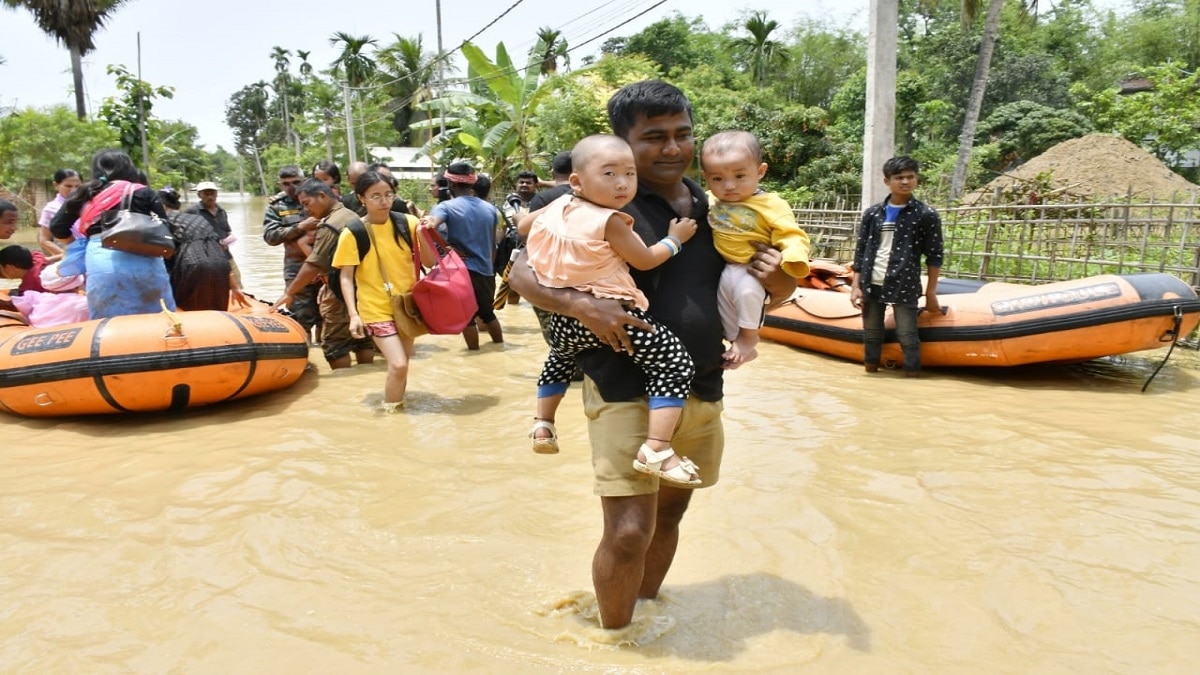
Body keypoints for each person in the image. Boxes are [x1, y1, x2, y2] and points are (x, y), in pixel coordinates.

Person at [508, 80, 793, 630]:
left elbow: (765, 290)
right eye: (653, 137)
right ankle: (613, 644)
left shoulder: (723, 203)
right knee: (629, 528)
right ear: (623, 143)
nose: (671, 148)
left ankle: (645, 615)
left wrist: (778, 280)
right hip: (620, 381)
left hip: (704, 380)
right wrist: (582, 306)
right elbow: (519, 272)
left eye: (682, 134)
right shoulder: (586, 200)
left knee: (671, 514)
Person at [523, 134, 701, 486]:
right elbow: (646, 260)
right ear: (577, 180)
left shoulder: (557, 207)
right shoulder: (612, 221)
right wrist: (676, 240)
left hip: (567, 319)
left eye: (629, 174)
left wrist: (551, 211)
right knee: (674, 362)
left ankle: (543, 424)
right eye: (609, 174)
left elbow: (523, 227)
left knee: (559, 357)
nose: (622, 184)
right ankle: (658, 449)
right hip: (616, 314)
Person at [701, 130, 812, 365]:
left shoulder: (771, 204)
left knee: (748, 293)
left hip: (752, 267)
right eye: (717, 179)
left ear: (760, 171)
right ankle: (736, 345)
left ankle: (749, 338)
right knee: (724, 305)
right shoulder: (709, 200)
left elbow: (791, 234)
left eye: (740, 176)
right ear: (706, 177)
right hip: (726, 267)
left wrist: (793, 259)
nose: (729, 186)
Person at [332, 171, 435, 411]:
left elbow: (429, 263)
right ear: (361, 198)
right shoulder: (353, 233)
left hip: (406, 305)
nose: (384, 201)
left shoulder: (406, 223)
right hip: (375, 307)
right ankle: (391, 414)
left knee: (403, 364)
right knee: (398, 364)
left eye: (388, 194)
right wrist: (353, 314)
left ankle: (398, 407)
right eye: (375, 196)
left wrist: (423, 234)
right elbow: (346, 278)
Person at [49, 149, 177, 319]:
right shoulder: (145, 192)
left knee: (107, 323)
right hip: (147, 263)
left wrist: (77, 244)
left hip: (102, 261)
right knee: (160, 320)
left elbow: (57, 227)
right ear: (129, 167)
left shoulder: (85, 192)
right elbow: (164, 227)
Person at [850, 155, 945, 377]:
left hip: (905, 280)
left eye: (910, 177)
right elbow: (861, 249)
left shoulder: (926, 215)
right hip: (872, 280)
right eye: (899, 177)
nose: (905, 182)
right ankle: (870, 373)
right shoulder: (873, 213)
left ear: (916, 179)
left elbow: (935, 255)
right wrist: (856, 284)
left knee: (908, 335)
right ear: (887, 181)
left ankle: (912, 377)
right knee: (872, 333)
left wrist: (931, 291)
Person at [273, 178, 376, 369]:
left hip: (340, 293)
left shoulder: (331, 224)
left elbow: (313, 264)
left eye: (306, 203)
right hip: (362, 290)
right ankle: (365, 378)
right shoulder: (351, 215)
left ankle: (342, 388)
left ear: (321, 196)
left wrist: (290, 292)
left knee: (335, 345)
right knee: (363, 339)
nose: (305, 210)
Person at [420, 162, 504, 350]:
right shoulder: (489, 208)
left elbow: (431, 225)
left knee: (467, 319)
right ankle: (500, 347)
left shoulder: (446, 207)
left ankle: (473, 354)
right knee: (488, 314)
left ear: (450, 183)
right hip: (486, 271)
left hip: (462, 271)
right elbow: (492, 244)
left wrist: (448, 248)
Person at [263, 165, 321, 339]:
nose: (292, 187)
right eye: (286, 183)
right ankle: (307, 359)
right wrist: (299, 227)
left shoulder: (318, 198)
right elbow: (270, 237)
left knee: (326, 318)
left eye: (296, 182)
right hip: (296, 269)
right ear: (280, 185)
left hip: (323, 266)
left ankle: (324, 359)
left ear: (304, 181)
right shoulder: (277, 206)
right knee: (300, 319)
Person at [37, 169, 81, 256]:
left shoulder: (88, 205)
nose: (73, 190)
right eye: (68, 186)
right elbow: (44, 240)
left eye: (77, 186)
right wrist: (68, 256)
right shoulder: (51, 209)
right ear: (56, 185)